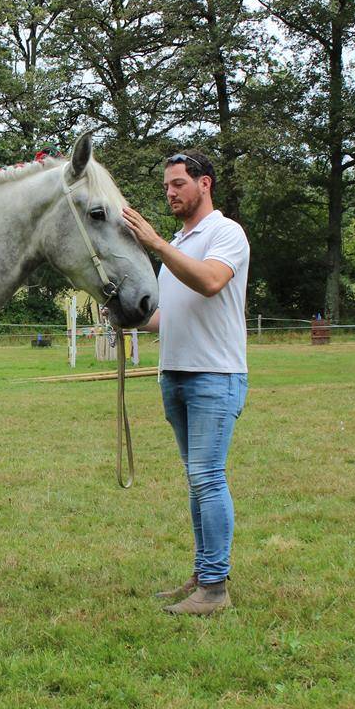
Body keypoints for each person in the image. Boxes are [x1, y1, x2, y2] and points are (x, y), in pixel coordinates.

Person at [122, 150, 249, 616]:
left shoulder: (224, 233)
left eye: (178, 183)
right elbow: (167, 317)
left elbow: (212, 282)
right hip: (175, 374)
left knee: (207, 478)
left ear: (205, 184)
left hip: (215, 375)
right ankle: (202, 575)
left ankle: (214, 588)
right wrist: (130, 319)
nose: (171, 192)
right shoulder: (178, 241)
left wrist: (156, 244)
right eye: (166, 187)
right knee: (197, 482)